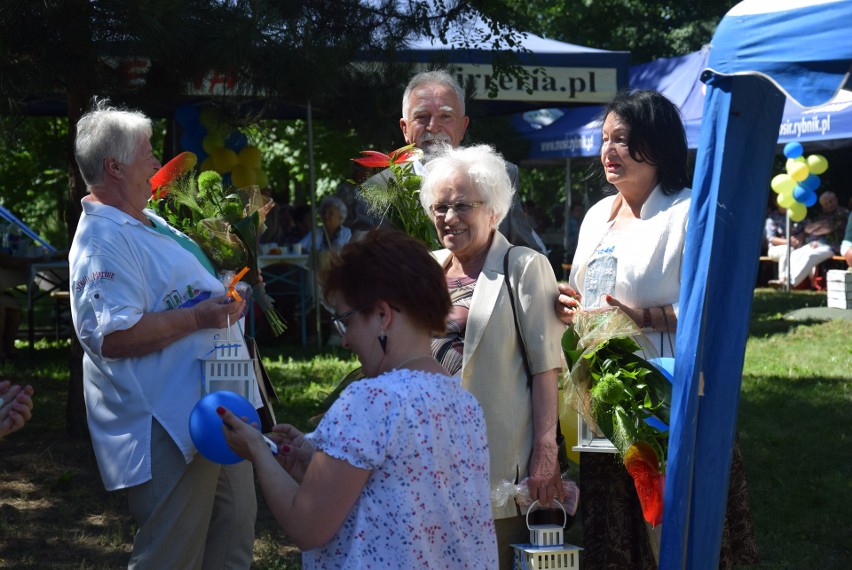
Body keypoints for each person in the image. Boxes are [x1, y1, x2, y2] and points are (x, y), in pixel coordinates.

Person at [555, 90, 758, 568]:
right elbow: (586, 290)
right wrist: (567, 305)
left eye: (622, 139)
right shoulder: (594, 217)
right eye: (604, 139)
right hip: (604, 404)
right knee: (614, 533)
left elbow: (717, 309)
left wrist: (644, 317)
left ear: (658, 145)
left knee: (673, 532)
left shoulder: (691, 213)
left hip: (670, 400)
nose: (608, 151)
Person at [219, 230, 497, 568]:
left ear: (383, 315)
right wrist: (313, 462)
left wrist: (258, 451)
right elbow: (394, 491)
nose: (346, 340)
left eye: (345, 320)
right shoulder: (465, 403)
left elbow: (307, 526)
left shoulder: (372, 399)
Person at [68, 99, 257, 568]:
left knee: (233, 537)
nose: (157, 162)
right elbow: (112, 337)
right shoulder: (101, 241)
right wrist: (198, 319)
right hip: (167, 423)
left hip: (216, 402)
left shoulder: (148, 220)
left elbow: (183, 288)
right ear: (114, 167)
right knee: (173, 553)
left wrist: (229, 290)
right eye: (147, 153)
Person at [419, 144, 565, 569]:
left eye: (463, 205)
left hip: (496, 463)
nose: (449, 217)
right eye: (440, 206)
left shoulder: (524, 266)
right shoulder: (426, 269)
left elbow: (546, 366)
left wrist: (545, 450)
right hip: (429, 456)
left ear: (494, 211)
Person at [355, 70, 543, 252]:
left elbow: (524, 252)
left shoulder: (500, 176)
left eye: (445, 116)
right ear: (404, 129)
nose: (433, 127)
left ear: (463, 126)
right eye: (421, 117)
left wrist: (546, 283)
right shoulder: (378, 189)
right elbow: (358, 267)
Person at [776, 190, 848, 287]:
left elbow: (827, 229)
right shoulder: (822, 215)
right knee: (795, 253)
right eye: (826, 203)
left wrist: (816, 228)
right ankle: (783, 279)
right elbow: (808, 229)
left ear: (836, 200)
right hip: (818, 244)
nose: (829, 205)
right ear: (823, 205)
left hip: (834, 247)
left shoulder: (842, 213)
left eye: (831, 201)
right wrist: (818, 227)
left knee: (810, 256)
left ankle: (791, 283)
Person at [764, 202, 806, 284]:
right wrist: (788, 242)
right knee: (787, 249)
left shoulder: (795, 215)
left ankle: (807, 283)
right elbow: (771, 238)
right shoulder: (772, 218)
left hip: (796, 247)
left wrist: (800, 237)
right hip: (775, 249)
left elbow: (806, 229)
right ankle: (782, 280)